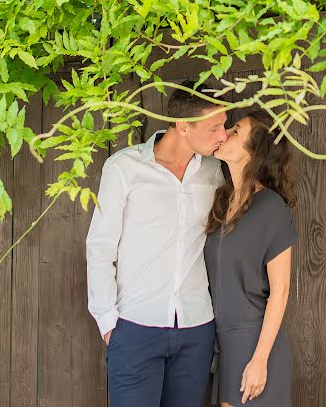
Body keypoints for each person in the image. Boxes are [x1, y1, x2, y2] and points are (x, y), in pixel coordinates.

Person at [86, 80, 228, 407]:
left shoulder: (214, 172)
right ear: (183, 127)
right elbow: (100, 246)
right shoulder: (123, 168)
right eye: (215, 127)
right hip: (134, 328)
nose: (223, 134)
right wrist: (108, 322)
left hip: (196, 328)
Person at [204, 110, 297, 407]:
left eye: (235, 131)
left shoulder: (270, 207)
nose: (225, 132)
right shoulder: (222, 203)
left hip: (256, 345)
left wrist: (259, 359)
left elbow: (280, 291)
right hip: (222, 345)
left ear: (253, 152)